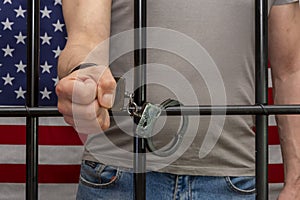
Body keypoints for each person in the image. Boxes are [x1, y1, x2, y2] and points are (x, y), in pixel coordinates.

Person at [56, 0, 300, 199]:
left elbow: (290, 71)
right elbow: (84, 39)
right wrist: (86, 74)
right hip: (117, 172)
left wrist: (296, 182)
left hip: (233, 176)